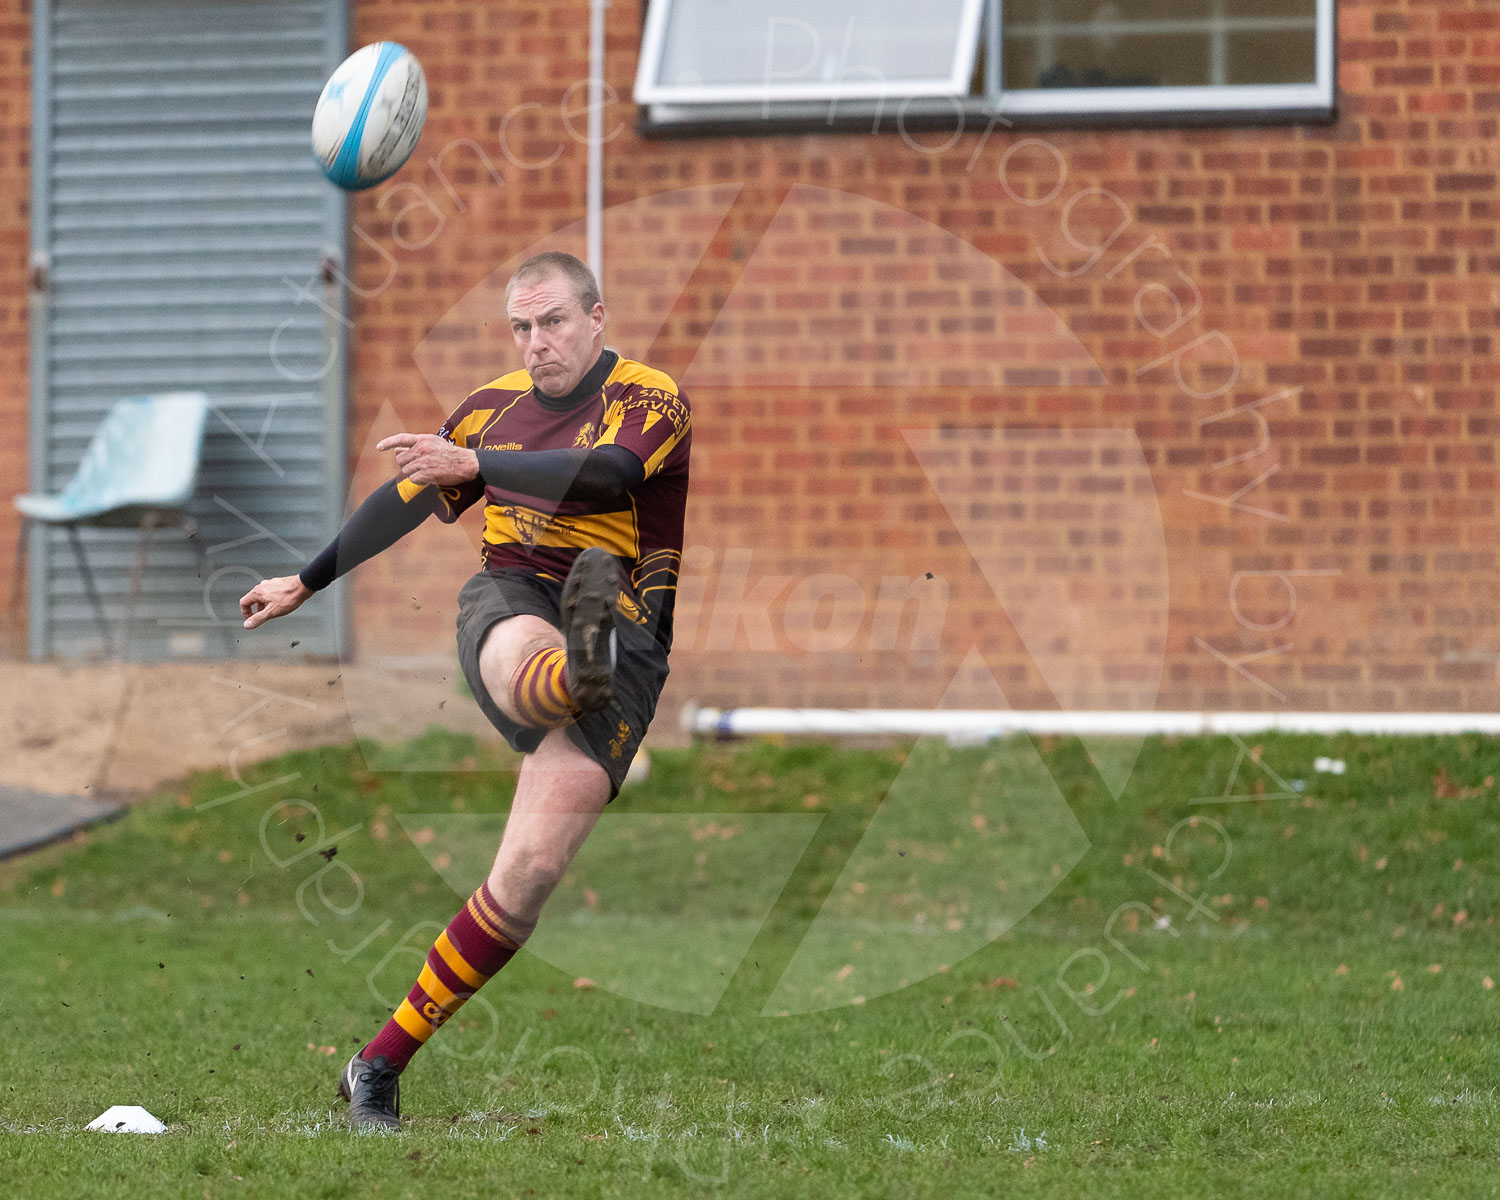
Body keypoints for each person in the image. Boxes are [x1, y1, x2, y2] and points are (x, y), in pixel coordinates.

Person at [238, 251, 691, 1130]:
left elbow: (610, 476)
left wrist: (476, 467)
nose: (537, 342)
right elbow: (409, 496)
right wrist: (306, 579)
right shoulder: (488, 410)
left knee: (524, 877)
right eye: (521, 327)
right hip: (517, 597)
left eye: (553, 321)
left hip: (628, 636)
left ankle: (375, 1064)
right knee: (533, 663)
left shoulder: (650, 397)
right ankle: (570, 670)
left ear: (597, 318)